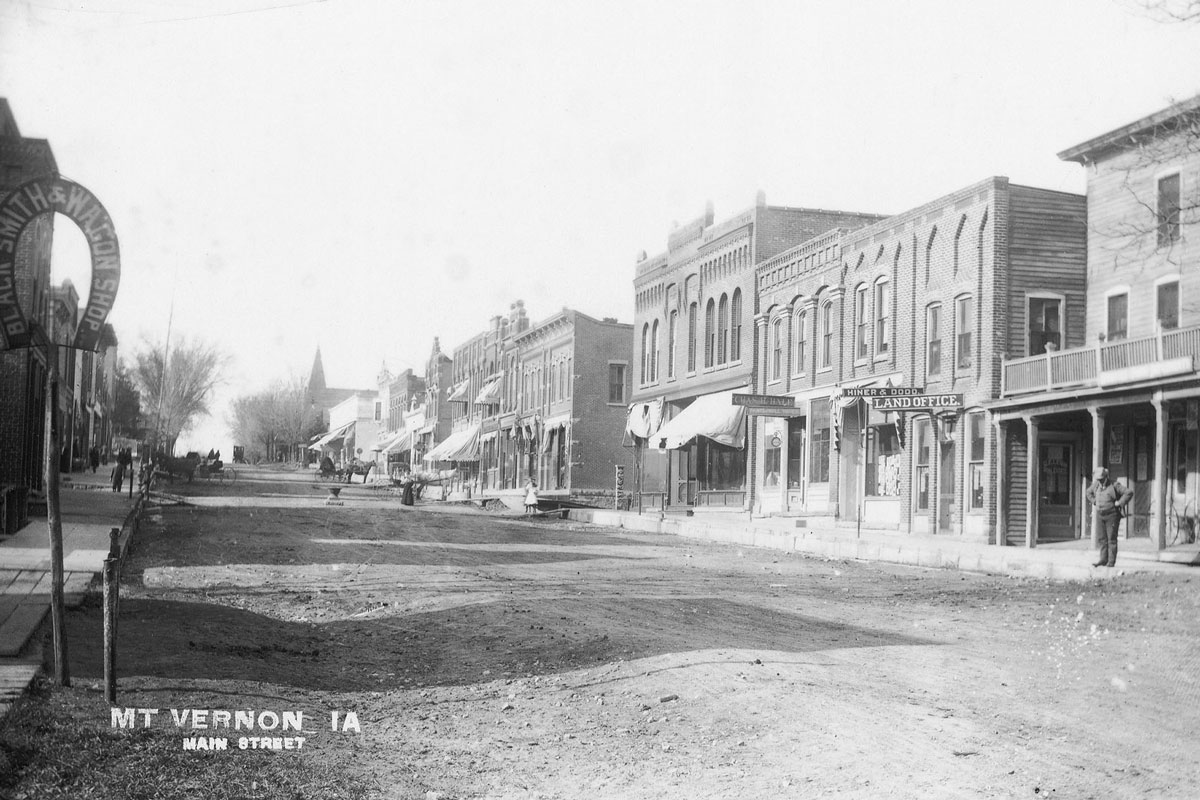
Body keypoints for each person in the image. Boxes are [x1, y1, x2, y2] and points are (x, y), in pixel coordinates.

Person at [1086, 466, 1133, 568]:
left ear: (1106, 477)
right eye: (1098, 479)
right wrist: (1095, 501)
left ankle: (1111, 562)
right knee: (1102, 539)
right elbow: (1088, 492)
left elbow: (1129, 492)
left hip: (1112, 515)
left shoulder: (1114, 485)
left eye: (1102, 479)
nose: (1100, 481)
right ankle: (1103, 560)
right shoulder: (1096, 485)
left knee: (1111, 538)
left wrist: (1120, 503)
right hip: (1100, 515)